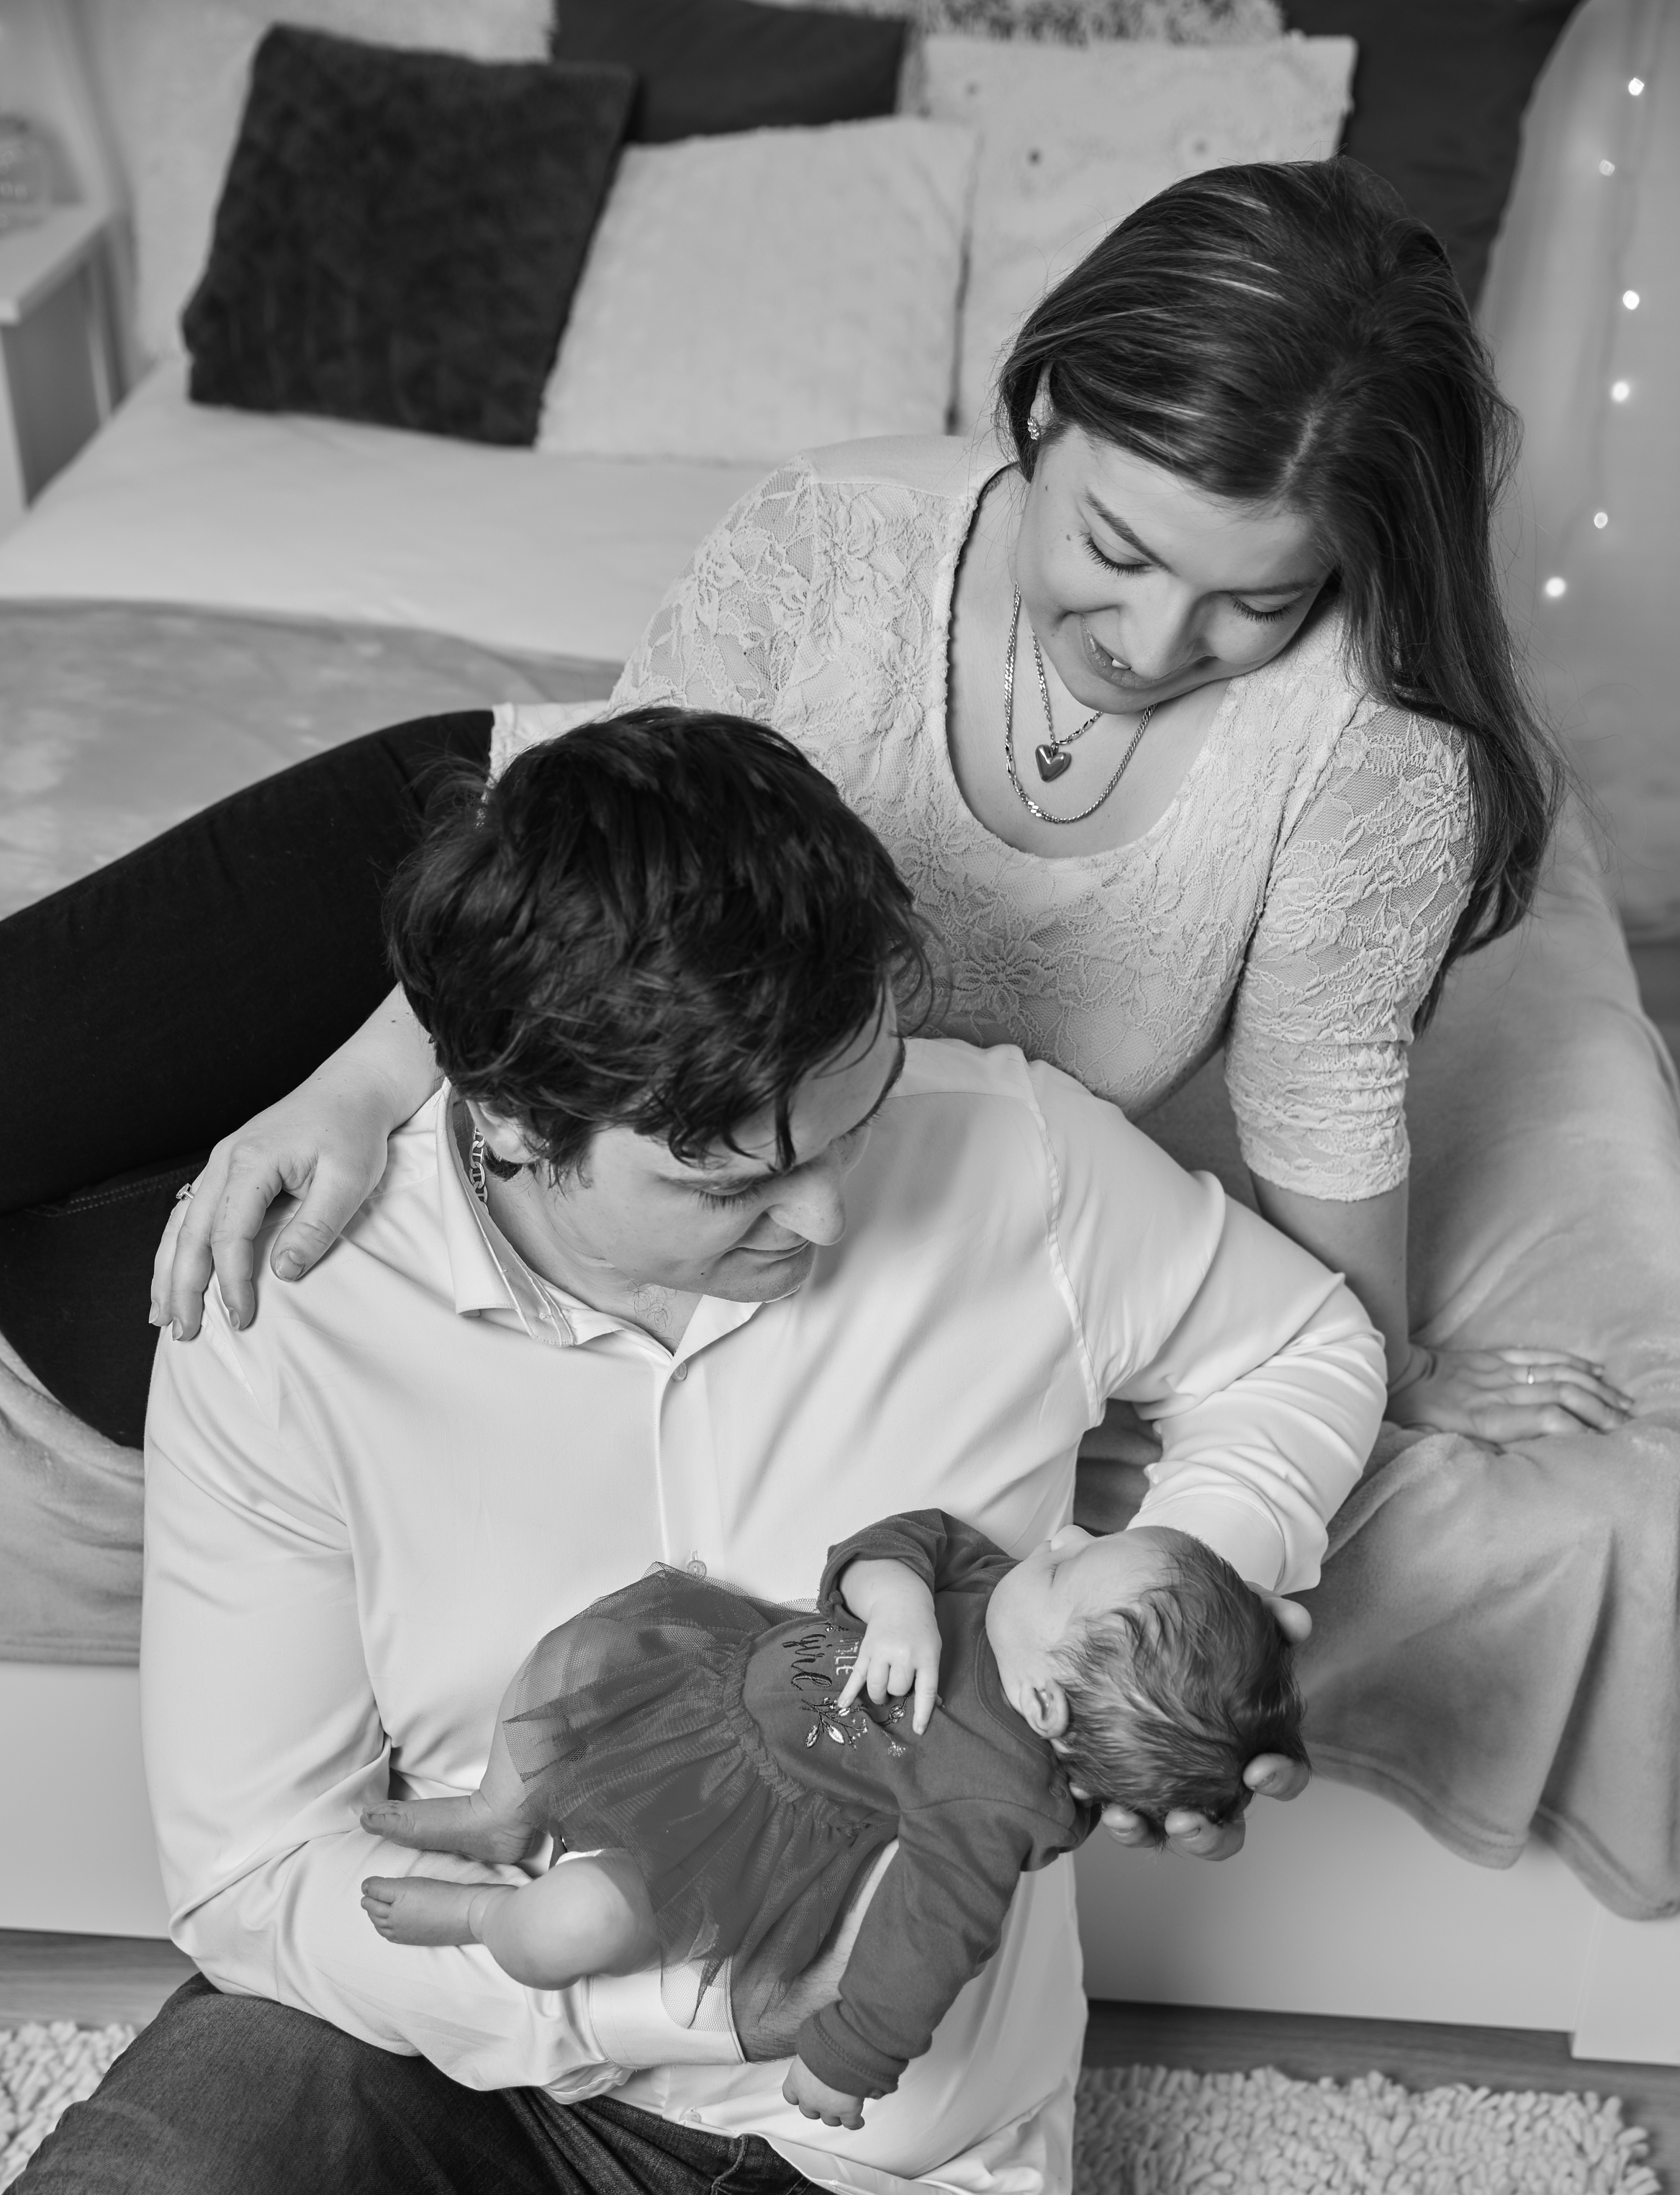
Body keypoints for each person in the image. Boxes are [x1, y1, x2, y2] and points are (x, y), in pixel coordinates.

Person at [0, 709, 1384, 2195]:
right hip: (431, 2072)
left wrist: (1164, 1599)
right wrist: (649, 1998)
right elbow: (255, 1870)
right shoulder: (298, 1318)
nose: (828, 1214)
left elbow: (1303, 1345)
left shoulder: (1015, 1161)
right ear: (512, 1122)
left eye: (850, 1124)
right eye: (734, 1179)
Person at [128, 158, 1625, 1456]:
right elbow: (591, 880)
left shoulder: (1367, 755)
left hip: (607, 1060)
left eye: (1258, 601)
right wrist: (353, 1090)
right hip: (497, 849)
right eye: (1115, 549)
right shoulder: (831, 532)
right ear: (1045, 411)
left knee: (165, 1298)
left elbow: (1321, 1102)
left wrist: (1372, 1366)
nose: (1153, 643)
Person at [358, 1510, 1305, 2132]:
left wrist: (852, 2057)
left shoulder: (993, 1800)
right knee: (579, 1651)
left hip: (742, 1836)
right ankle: (498, 1813)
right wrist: (898, 1601)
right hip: (702, 1682)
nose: (1059, 1535)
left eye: (1068, 1566)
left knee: (571, 1927)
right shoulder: (1000, 1599)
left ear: (1045, 1705)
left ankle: (485, 1914)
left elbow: (931, 1933)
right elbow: (911, 1537)